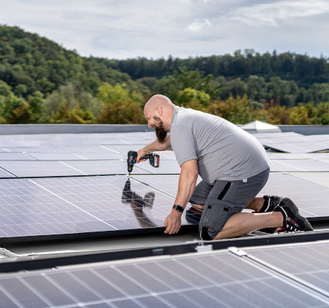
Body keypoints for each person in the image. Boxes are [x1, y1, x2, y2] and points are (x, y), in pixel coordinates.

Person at [134, 94, 313, 240]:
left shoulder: (181, 124)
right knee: (197, 200)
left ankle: (281, 217)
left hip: (241, 172)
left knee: (210, 231)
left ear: (159, 110)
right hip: (245, 165)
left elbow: (190, 173)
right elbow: (168, 142)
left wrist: (176, 213)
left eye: (149, 118)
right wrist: (144, 150)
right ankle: (265, 204)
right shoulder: (183, 119)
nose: (149, 124)